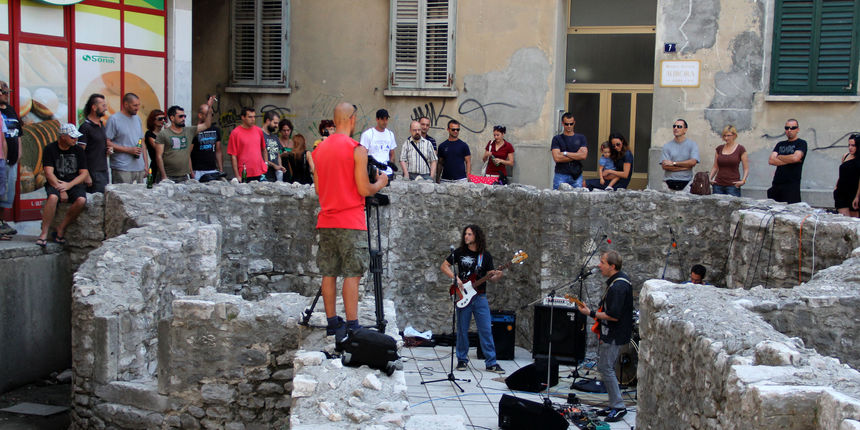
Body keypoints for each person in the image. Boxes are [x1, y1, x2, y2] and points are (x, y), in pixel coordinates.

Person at [312, 102, 388, 341]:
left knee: (329, 272)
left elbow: (317, 188)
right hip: (351, 221)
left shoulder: (319, 150)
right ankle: (353, 324)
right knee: (352, 273)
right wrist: (381, 182)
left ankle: (333, 323)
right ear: (352, 119)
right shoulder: (357, 149)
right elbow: (365, 189)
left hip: (326, 220)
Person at [575, 250, 633, 423]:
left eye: (602, 262)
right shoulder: (616, 282)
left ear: (612, 266)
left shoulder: (619, 286)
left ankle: (619, 406)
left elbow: (614, 315)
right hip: (611, 332)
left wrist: (590, 313)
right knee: (604, 367)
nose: (599, 265)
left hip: (614, 333)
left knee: (606, 368)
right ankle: (613, 403)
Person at [440, 224, 506, 374]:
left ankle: (491, 362)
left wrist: (498, 275)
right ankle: (462, 360)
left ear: (476, 236)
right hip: (463, 295)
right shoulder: (460, 252)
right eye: (465, 234)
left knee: (486, 329)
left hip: (480, 296)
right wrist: (455, 278)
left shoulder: (485, 255)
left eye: (469, 234)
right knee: (462, 330)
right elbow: (444, 266)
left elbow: (491, 277)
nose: (466, 237)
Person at [36, 124, 89, 247]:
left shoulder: (78, 150)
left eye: (76, 138)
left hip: (73, 183)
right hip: (56, 182)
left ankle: (61, 228)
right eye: (72, 137)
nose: (75, 140)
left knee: (81, 200)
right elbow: (48, 173)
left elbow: (84, 173)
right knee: (53, 198)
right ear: (63, 137)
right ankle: (44, 233)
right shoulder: (50, 149)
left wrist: (69, 185)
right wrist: (61, 189)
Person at [155, 97, 216, 182]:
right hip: (168, 176)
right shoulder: (163, 134)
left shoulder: (189, 131)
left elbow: (207, 125)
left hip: (184, 177)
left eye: (184, 116)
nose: (183, 118)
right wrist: (164, 176)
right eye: (180, 116)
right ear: (172, 118)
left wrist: (209, 108)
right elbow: (159, 156)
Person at [106, 93, 147, 184]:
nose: (137, 108)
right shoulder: (114, 119)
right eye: (135, 105)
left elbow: (142, 141)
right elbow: (107, 142)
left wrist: (145, 165)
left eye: (138, 105)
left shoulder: (137, 119)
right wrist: (128, 150)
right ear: (125, 104)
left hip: (139, 167)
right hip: (122, 167)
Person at [767, 119, 807, 204]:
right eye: (787, 128)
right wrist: (790, 159)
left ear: (798, 129)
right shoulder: (780, 144)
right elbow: (771, 160)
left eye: (793, 128)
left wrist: (780, 156)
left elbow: (795, 158)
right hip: (777, 184)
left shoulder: (801, 143)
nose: (789, 130)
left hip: (792, 186)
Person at [0, 81, 21, 239]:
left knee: (8, 193)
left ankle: (1, 222)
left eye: (8, 92)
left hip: (12, 159)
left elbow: (18, 133)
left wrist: (19, 152)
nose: (7, 95)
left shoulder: (11, 110)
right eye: (4, 92)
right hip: (2, 159)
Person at [78, 94, 109, 193]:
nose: (106, 108)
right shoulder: (85, 127)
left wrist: (108, 150)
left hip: (103, 169)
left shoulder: (101, 125)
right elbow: (80, 153)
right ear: (94, 107)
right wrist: (86, 174)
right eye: (103, 105)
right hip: (93, 172)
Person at [227, 107, 268, 182]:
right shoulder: (235, 133)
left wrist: (266, 164)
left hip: (260, 172)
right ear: (243, 117)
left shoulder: (259, 130)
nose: (253, 119)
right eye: (250, 117)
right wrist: (237, 175)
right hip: (244, 173)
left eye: (254, 117)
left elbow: (264, 149)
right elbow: (233, 156)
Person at [709, 125, 749, 197]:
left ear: (734, 135)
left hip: (733, 185)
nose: (726, 138)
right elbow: (715, 166)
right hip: (718, 184)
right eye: (724, 136)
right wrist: (710, 178)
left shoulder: (740, 149)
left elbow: (746, 168)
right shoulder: (719, 148)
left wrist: (743, 181)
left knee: (733, 207)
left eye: (728, 135)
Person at [660, 119, 700, 191]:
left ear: (685, 130)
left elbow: (693, 162)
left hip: (687, 182)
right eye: (674, 126)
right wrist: (685, 167)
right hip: (668, 182)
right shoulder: (667, 146)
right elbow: (665, 166)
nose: (676, 128)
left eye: (679, 126)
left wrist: (674, 163)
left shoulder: (692, 145)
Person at [551, 112, 587, 189]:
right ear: (562, 124)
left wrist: (565, 153)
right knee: (557, 198)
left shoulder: (581, 138)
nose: (569, 126)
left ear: (574, 123)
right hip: (561, 174)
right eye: (566, 124)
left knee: (577, 198)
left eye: (571, 124)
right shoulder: (557, 139)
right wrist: (577, 155)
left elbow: (583, 156)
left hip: (576, 175)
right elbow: (557, 158)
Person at [360, 108, 397, 179]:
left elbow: (392, 154)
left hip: (387, 173)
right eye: (382, 119)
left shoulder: (390, 134)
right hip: (372, 173)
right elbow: (362, 155)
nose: (385, 122)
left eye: (386, 119)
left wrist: (391, 167)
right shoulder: (368, 134)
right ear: (377, 119)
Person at [190, 103, 223, 181]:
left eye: (211, 114)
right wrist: (191, 172)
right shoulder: (194, 131)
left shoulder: (216, 130)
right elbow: (188, 153)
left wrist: (220, 169)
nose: (210, 117)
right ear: (200, 115)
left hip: (212, 169)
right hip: (198, 170)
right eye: (207, 114)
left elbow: (218, 150)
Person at [835, 133, 860, 217]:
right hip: (841, 193)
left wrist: (857, 196)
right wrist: (836, 186)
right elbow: (842, 174)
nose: (850, 147)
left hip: (854, 193)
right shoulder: (846, 156)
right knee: (844, 220)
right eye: (849, 145)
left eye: (853, 145)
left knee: (854, 223)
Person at [262, 111, 286, 182]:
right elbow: (260, 156)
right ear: (268, 121)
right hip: (264, 175)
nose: (277, 126)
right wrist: (274, 165)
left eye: (277, 123)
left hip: (275, 176)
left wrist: (280, 166)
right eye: (275, 123)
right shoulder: (259, 134)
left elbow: (278, 154)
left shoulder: (275, 137)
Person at [144, 109, 166, 183]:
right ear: (153, 121)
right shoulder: (149, 134)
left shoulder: (164, 133)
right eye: (160, 119)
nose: (163, 121)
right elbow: (158, 148)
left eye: (164, 118)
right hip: (155, 166)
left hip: (167, 165)